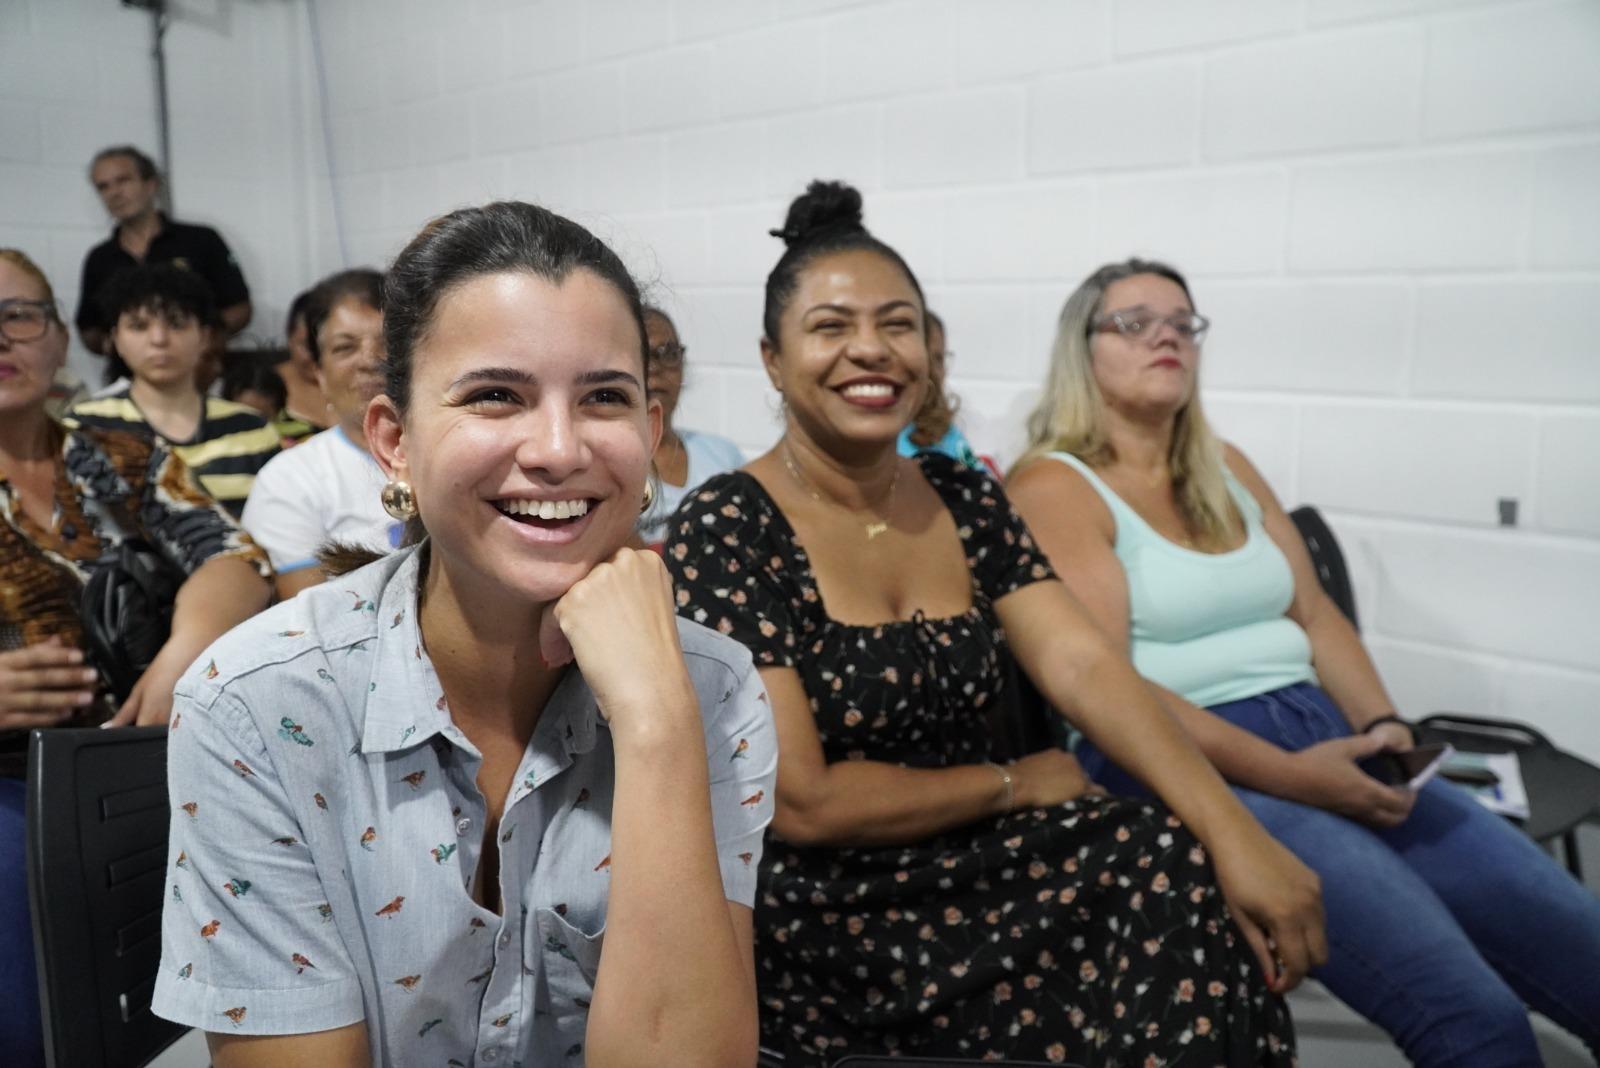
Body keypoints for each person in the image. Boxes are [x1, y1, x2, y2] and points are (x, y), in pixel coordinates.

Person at [665, 182, 1322, 1066]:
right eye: (830, 327)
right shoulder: (727, 525)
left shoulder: (967, 498)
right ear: (773, 361)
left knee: (1171, 856)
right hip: (835, 916)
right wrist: (1014, 783)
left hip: (990, 863)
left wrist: (1236, 834)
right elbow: (804, 803)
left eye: (898, 324)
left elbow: (1086, 666)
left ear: (929, 350)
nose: (871, 348)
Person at [152, 201, 776, 1068]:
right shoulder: (258, 701)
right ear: (395, 441)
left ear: (650, 433)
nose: (558, 449)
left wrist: (657, 725)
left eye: (604, 397)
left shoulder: (711, 686)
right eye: (495, 396)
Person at [1007, 258, 1600, 1067]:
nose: (1167, 336)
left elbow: (1316, 614)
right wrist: (1294, 777)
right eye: (1135, 322)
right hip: (1183, 763)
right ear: (1084, 349)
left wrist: (1385, 727)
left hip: (1323, 739)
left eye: (1183, 322)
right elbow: (1106, 684)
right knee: (1477, 1020)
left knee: (1586, 950)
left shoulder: (1225, 466)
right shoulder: (1054, 485)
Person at [0, 248, 273, 1068]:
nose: (1, 338)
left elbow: (235, 558)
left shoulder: (113, 452)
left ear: (59, 339)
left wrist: (187, 649)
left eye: (19, 315)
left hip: (148, 768)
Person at [66, 264, 281, 517]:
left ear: (204, 336)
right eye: (139, 326)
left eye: (176, 324)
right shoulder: (82, 427)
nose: (158, 339)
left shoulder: (252, 429)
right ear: (115, 341)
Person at [241, 269, 399, 598]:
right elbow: (311, 616)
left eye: (388, 343)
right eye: (345, 348)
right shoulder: (289, 480)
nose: (370, 361)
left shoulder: (463, 454)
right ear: (319, 374)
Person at [76, 145, 251, 358]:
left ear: (150, 184)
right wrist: (114, 346)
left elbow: (240, 308)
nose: (114, 193)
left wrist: (203, 339)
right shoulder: (100, 258)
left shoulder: (200, 240)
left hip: (199, 368)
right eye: (103, 187)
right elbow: (89, 327)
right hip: (128, 376)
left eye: (123, 180)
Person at [635, 305, 744, 546]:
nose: (654, 368)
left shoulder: (723, 456)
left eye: (668, 353)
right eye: (641, 353)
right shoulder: (608, 469)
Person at [894, 310, 984, 471]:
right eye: (925, 358)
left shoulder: (943, 431)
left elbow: (981, 484)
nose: (934, 372)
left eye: (939, 359)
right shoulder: (877, 430)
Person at [274, 289, 331, 443]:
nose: (316, 356)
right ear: (289, 337)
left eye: (324, 346)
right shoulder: (265, 385)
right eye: (307, 346)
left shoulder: (364, 383)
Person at [220, 357, 288, 424]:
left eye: (262, 418)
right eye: (242, 418)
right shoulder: (213, 432)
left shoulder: (294, 432)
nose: (252, 426)